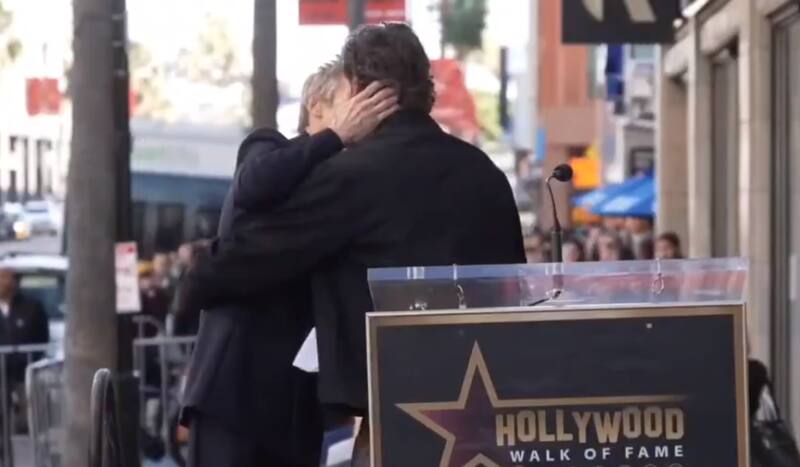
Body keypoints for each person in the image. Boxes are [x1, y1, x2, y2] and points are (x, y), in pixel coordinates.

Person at [182, 23, 525, 462]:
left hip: (395, 421)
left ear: (361, 91)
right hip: (486, 421)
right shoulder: (486, 176)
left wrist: (196, 280)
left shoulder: (354, 176)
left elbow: (243, 259)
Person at [180, 60, 399, 467]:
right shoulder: (270, 148)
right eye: (356, 105)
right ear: (317, 105)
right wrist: (335, 136)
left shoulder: (345, 182)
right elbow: (255, 185)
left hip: (294, 409)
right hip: (234, 394)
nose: (364, 119)